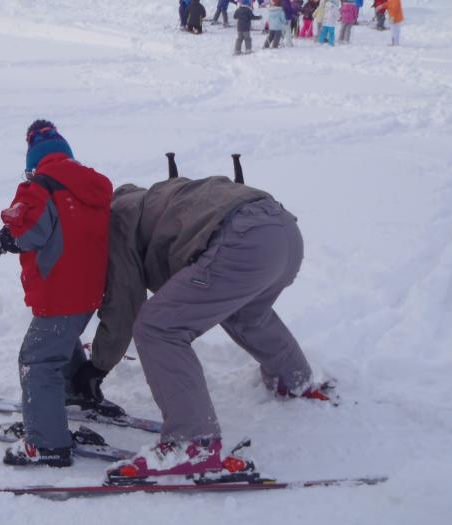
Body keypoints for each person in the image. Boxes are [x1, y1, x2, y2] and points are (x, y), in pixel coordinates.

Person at [73, 168, 329, 482]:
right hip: (283, 232)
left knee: (158, 327)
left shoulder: (116, 221)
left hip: (242, 239)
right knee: (247, 313)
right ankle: (295, 379)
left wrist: (97, 366)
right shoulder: (149, 200)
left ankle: (192, 443)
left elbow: (125, 304)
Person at [0, 120, 113, 468]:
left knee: (38, 361)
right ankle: (71, 393)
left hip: (60, 292)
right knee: (63, 340)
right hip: (90, 290)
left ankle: (47, 443)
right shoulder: (93, 187)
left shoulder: (40, 187)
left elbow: (27, 232)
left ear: (34, 160)